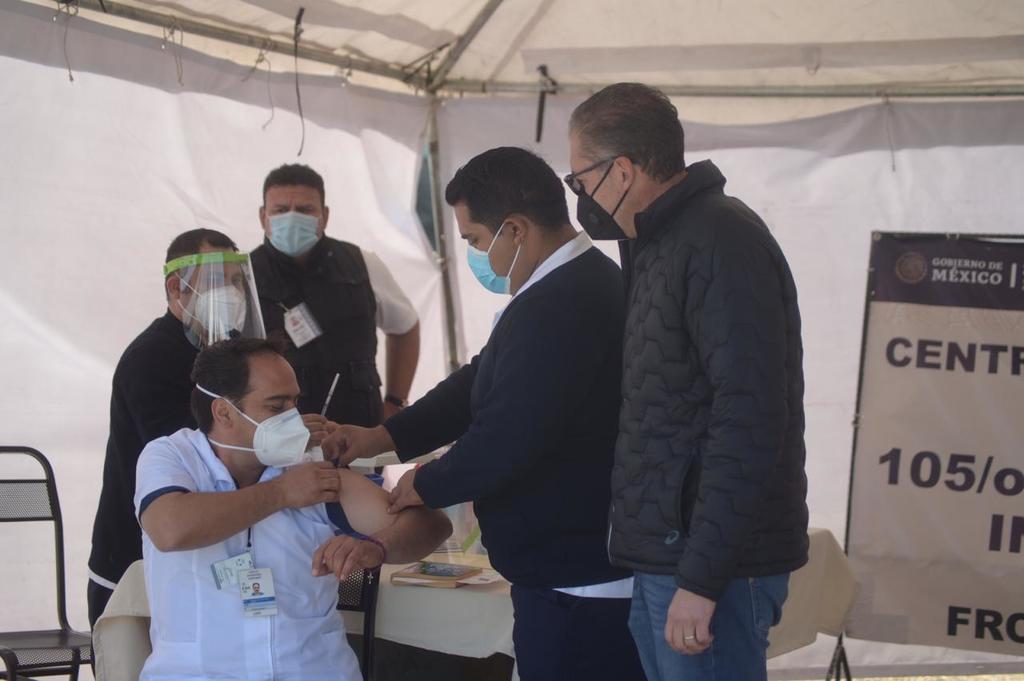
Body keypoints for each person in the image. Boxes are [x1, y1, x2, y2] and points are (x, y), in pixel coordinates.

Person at [323, 147, 645, 681]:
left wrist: (426, 483)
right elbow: (479, 380)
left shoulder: (567, 300)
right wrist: (382, 436)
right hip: (563, 576)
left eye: (474, 240)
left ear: (515, 230)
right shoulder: (554, 289)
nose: (476, 256)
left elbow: (508, 434)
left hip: (580, 582)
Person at [566, 82, 809, 680]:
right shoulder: (658, 241)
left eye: (580, 179)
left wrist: (702, 578)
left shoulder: (719, 239)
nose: (580, 196)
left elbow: (748, 416)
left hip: (709, 566)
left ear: (622, 170)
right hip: (669, 556)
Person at [135, 337, 451, 681]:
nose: (293, 419)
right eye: (276, 407)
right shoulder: (172, 456)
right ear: (223, 412)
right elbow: (170, 529)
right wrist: (282, 493)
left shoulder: (311, 466)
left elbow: (430, 525)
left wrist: (377, 547)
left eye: (294, 404)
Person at [87, 227, 261, 626]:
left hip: (206, 556)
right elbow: (198, 455)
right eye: (217, 281)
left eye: (237, 281)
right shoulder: (149, 358)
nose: (231, 293)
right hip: (133, 568)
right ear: (175, 287)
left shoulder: (233, 354)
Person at [250, 164, 420, 427]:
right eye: (281, 210)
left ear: (325, 216)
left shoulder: (361, 262)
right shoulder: (245, 275)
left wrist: (395, 402)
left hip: (360, 428)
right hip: (279, 433)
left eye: (305, 209)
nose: (292, 218)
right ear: (263, 217)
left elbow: (406, 327)